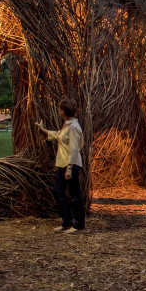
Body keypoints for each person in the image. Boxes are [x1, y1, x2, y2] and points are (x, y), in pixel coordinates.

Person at [36, 98, 85, 233]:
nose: (58, 110)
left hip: (71, 164)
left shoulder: (73, 127)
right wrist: (42, 129)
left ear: (65, 111)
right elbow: (58, 135)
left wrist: (69, 168)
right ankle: (66, 222)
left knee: (75, 195)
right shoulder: (67, 125)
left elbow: (74, 149)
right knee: (58, 191)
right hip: (63, 163)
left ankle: (78, 225)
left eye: (60, 108)